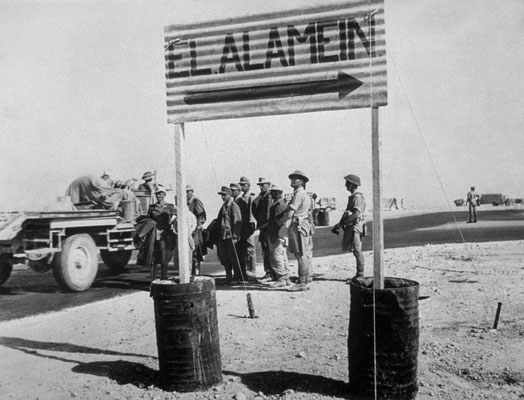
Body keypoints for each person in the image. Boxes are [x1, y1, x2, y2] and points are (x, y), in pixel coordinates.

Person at [280, 170, 314, 292]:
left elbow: (290, 213)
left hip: (298, 225)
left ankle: (302, 282)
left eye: (296, 178)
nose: (293, 181)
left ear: (302, 181)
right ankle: (305, 279)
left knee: (301, 255)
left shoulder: (299, 195)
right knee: (302, 254)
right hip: (302, 224)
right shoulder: (303, 194)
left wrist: (280, 223)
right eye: (293, 178)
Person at [135, 185, 177, 281]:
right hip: (154, 234)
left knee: (164, 257)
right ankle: (153, 280)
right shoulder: (152, 207)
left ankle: (163, 277)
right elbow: (149, 219)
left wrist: (172, 221)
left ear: (164, 195)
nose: (159, 196)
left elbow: (177, 215)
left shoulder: (170, 207)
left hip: (165, 235)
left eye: (161, 194)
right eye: (157, 194)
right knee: (153, 256)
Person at [331, 174, 366, 280]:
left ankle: (360, 275)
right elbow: (347, 213)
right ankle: (359, 274)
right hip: (351, 226)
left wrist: (342, 224)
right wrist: (339, 224)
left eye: (347, 183)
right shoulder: (353, 197)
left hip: (355, 226)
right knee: (355, 250)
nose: (346, 185)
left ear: (352, 185)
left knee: (357, 250)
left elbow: (356, 214)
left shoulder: (357, 197)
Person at [265, 184, 291, 288]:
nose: (270, 194)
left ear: (277, 193)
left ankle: (281, 279)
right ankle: (286, 278)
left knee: (277, 257)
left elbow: (278, 222)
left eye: (272, 192)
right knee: (282, 257)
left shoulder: (278, 205)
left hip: (277, 234)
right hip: (280, 234)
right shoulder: (281, 203)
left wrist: (273, 234)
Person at [216, 186, 242, 284]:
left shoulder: (234, 206)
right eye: (221, 195)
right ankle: (228, 276)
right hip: (223, 236)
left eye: (224, 195)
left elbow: (237, 222)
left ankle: (237, 278)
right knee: (225, 257)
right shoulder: (224, 206)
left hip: (231, 236)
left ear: (229, 195)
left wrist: (235, 236)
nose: (222, 197)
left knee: (234, 257)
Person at [252, 177, 274, 282]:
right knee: (266, 251)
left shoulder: (268, 197)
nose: (261, 187)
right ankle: (269, 272)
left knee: (268, 251)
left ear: (268, 185)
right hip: (263, 227)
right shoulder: (262, 196)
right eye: (260, 185)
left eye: (263, 185)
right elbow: (254, 205)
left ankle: (270, 273)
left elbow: (268, 214)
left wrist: (263, 224)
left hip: (267, 228)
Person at [236, 176, 257, 279]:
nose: (241, 187)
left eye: (243, 185)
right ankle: (246, 272)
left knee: (250, 250)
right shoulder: (241, 198)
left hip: (248, 227)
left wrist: (252, 227)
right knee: (244, 250)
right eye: (240, 185)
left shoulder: (251, 197)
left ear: (248, 185)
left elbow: (252, 214)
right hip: (243, 227)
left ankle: (252, 271)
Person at [186, 184, 207, 276]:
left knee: (196, 253)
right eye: (185, 192)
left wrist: (196, 227)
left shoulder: (195, 201)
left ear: (192, 191)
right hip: (189, 231)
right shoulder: (187, 202)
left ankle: (197, 273)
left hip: (195, 232)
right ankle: (191, 273)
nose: (186, 193)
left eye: (188, 191)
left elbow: (201, 217)